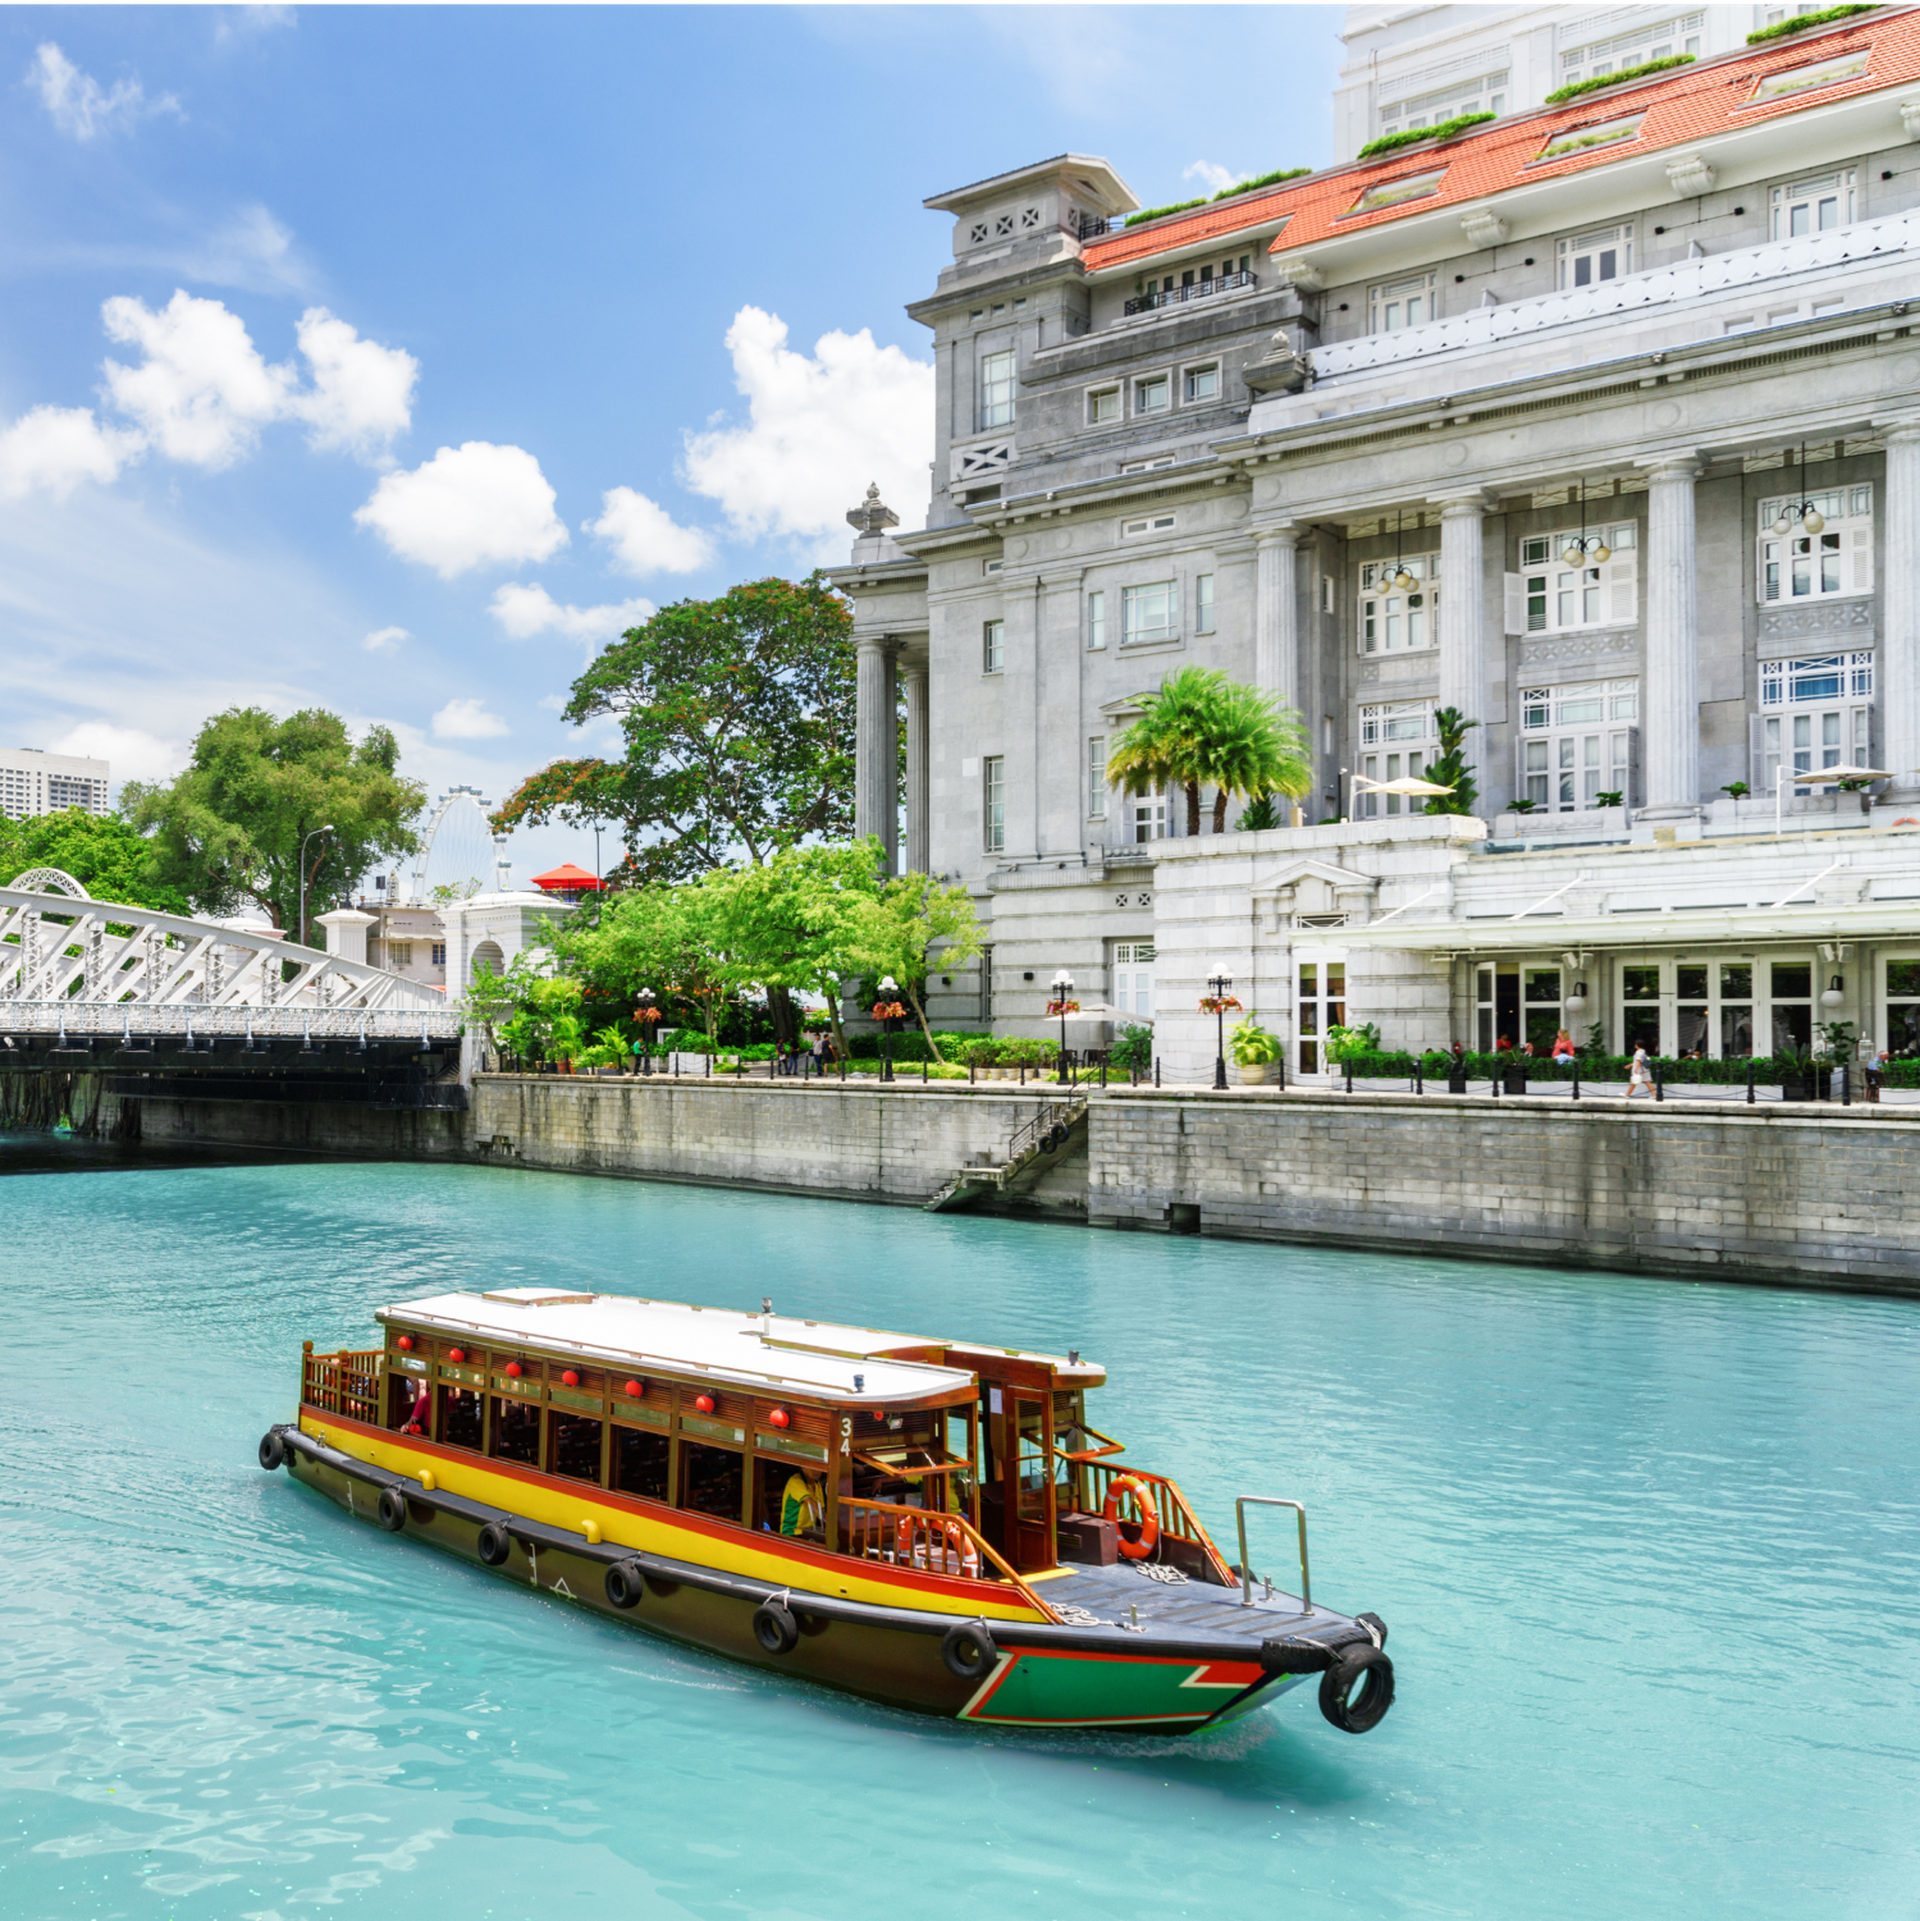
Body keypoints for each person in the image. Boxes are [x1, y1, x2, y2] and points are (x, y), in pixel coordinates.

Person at [780, 1463, 825, 1539]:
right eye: (813, 1467)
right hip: (792, 1532)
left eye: (819, 1467)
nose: (816, 1471)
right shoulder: (795, 1481)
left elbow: (821, 1509)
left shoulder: (817, 1485)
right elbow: (811, 1503)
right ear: (803, 1466)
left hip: (810, 1531)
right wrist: (832, 1525)